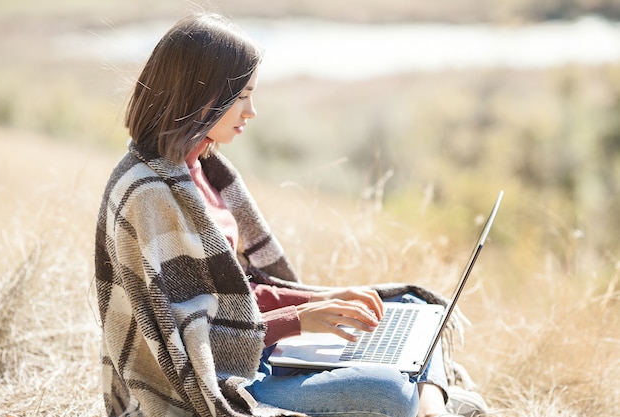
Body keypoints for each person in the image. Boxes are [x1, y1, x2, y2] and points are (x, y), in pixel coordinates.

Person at [94, 12, 488, 417]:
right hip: (224, 384)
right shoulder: (148, 193)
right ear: (203, 96)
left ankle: (433, 408)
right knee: (391, 393)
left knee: (412, 307)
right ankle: (430, 403)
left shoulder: (205, 168)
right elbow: (189, 344)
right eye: (243, 95)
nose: (252, 112)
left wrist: (322, 300)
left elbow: (239, 295)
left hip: (258, 349)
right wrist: (298, 319)